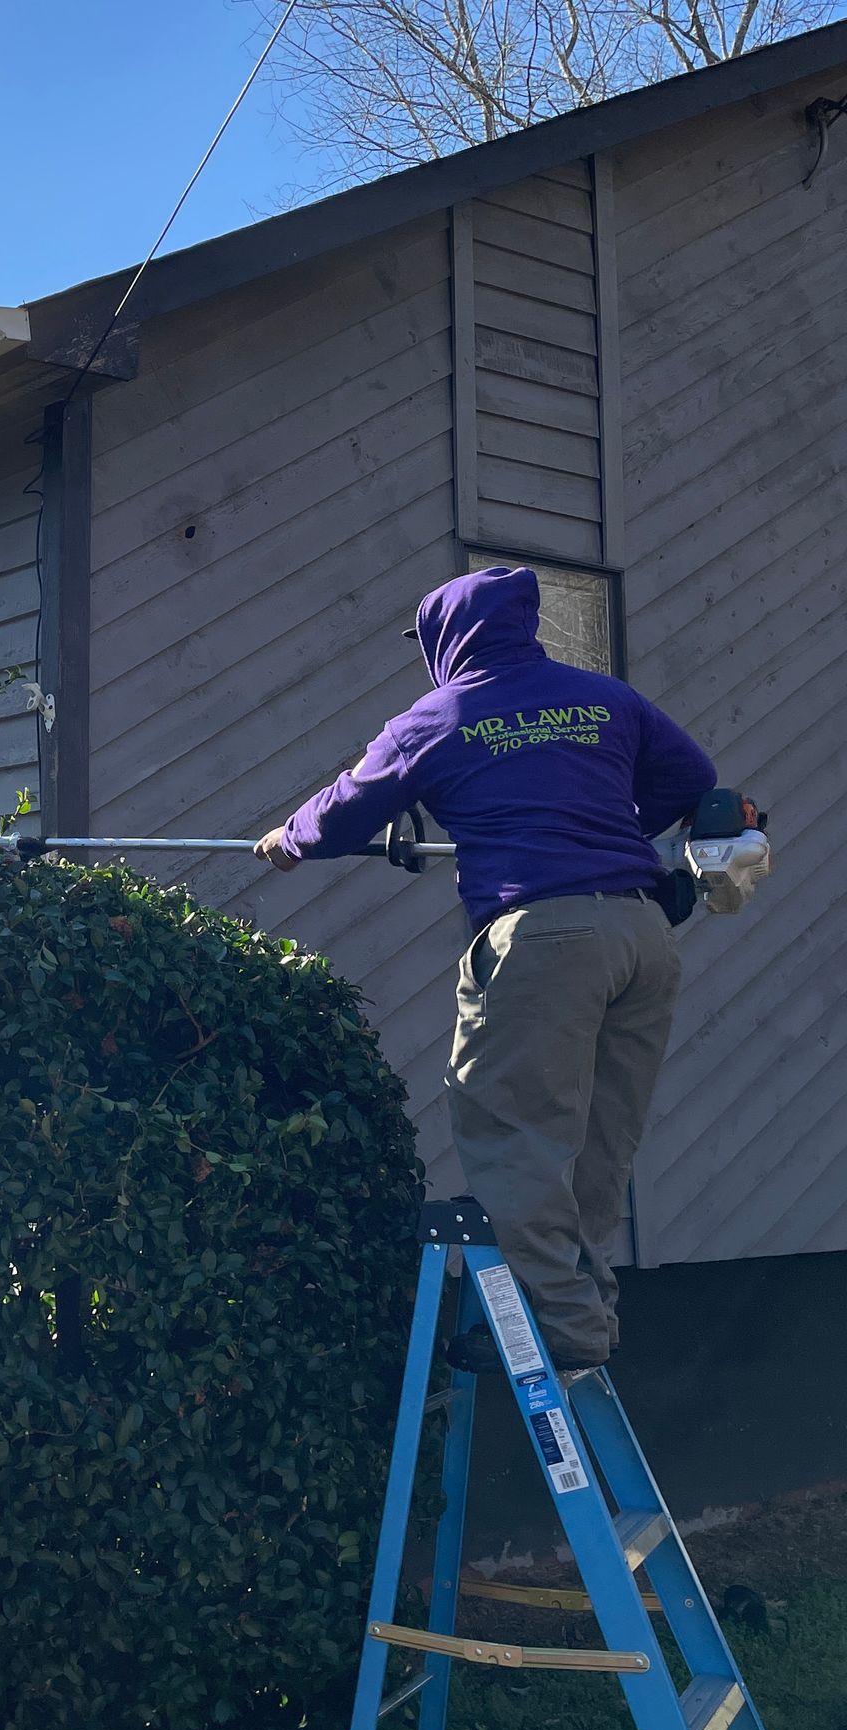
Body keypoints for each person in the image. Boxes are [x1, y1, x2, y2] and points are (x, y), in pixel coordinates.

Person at [255, 565, 717, 1373]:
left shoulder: (435, 718)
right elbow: (692, 778)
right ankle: (589, 1316)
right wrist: (603, 824)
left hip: (544, 939)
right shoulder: (603, 698)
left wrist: (286, 840)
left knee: (512, 1128)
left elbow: (345, 809)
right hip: (644, 934)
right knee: (601, 1138)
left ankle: (561, 1329)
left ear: (446, 638)